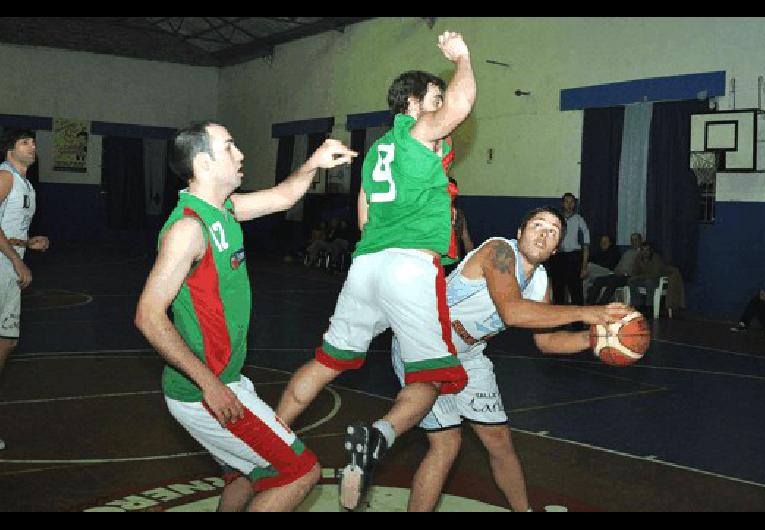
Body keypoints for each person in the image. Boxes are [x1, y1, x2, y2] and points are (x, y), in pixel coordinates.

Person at [275, 30, 477, 511]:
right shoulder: (418, 131)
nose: (440, 104)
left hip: (366, 266)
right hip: (410, 266)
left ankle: (274, 435)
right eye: (433, 98)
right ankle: (378, 437)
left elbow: (365, 219)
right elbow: (463, 104)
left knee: (327, 362)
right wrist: (463, 58)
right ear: (412, 103)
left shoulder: (374, 155)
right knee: (429, 378)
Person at [134, 121, 357, 512]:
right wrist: (210, 385)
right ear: (203, 164)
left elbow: (283, 197)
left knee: (245, 475)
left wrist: (314, 163)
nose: (241, 155)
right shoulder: (189, 229)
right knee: (302, 472)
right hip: (203, 389)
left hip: (226, 380)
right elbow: (148, 316)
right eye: (230, 147)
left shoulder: (226, 211)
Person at [392, 207, 632, 511]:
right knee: (446, 444)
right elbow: (512, 311)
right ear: (520, 233)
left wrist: (598, 338)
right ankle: (377, 438)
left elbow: (547, 342)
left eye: (553, 231)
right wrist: (587, 312)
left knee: (500, 442)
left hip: (468, 353)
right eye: (537, 226)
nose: (544, 233)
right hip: (427, 342)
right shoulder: (499, 251)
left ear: (556, 248)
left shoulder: (541, 282)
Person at [0, 129, 50, 451]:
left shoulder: (26, 183)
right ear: (9, 149)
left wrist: (29, 241)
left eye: (33, 142)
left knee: (8, 340)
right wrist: (18, 261)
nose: (32, 146)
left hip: (9, 261)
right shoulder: (5, 177)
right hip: (2, 266)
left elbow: (8, 226)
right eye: (24, 142)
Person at [547, 192, 590, 305]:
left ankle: (578, 322)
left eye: (572, 202)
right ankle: (560, 320)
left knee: (576, 291)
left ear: (575, 204)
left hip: (573, 258)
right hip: (557, 256)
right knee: (558, 291)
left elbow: (586, 244)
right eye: (567, 202)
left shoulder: (579, 219)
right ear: (562, 203)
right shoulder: (556, 219)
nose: (569, 204)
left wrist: (584, 266)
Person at [587, 232, 642, 305]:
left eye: (636, 240)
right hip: (618, 274)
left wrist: (627, 273)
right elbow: (620, 265)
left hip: (628, 276)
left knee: (612, 281)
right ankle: (590, 303)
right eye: (632, 240)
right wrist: (616, 271)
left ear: (640, 241)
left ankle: (602, 304)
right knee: (599, 280)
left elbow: (639, 268)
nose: (633, 242)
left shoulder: (642, 253)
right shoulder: (628, 252)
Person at [627, 241, 665, 318]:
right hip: (643, 279)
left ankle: (649, 307)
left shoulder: (655, 258)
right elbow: (635, 271)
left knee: (649, 282)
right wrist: (633, 275)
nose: (645, 252)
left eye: (647, 250)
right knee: (632, 282)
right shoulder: (639, 257)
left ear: (651, 250)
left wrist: (638, 276)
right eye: (643, 250)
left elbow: (654, 274)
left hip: (655, 280)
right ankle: (637, 306)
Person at [582, 234, 620, 301]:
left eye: (605, 241)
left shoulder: (614, 252)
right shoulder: (598, 252)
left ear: (610, 243)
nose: (603, 243)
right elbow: (590, 259)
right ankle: (584, 300)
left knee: (588, 267)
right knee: (585, 275)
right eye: (602, 242)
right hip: (597, 273)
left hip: (609, 272)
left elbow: (610, 265)